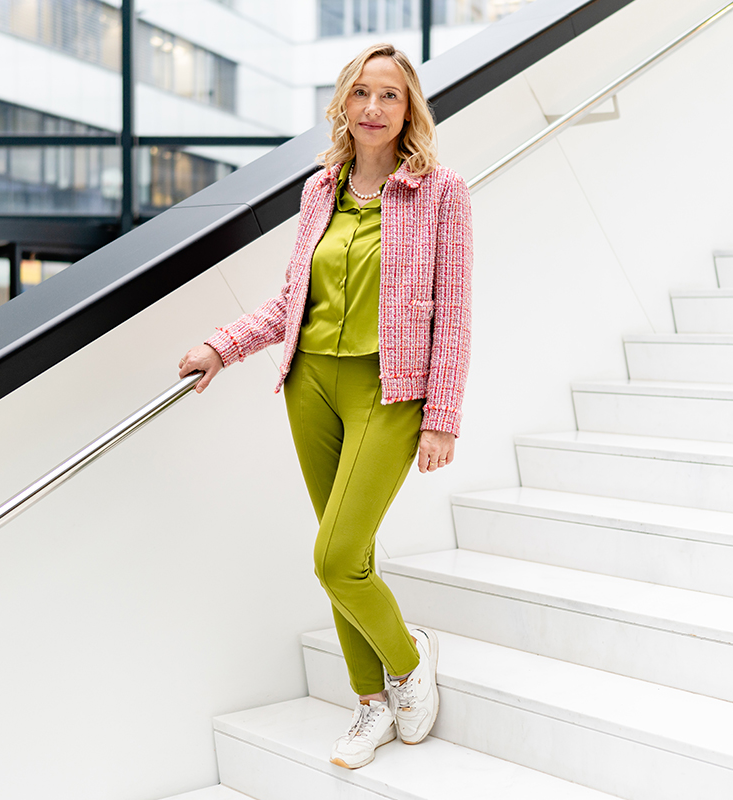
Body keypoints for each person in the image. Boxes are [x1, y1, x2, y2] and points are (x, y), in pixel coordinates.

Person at [176, 42, 472, 770]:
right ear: (343, 102)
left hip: (390, 391)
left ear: (410, 110)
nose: (374, 109)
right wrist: (223, 345)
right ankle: (368, 703)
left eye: (390, 96)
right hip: (310, 385)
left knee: (335, 560)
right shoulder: (320, 191)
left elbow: (455, 315)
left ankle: (406, 664)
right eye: (362, 94)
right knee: (352, 552)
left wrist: (442, 417)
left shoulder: (440, 193)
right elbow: (290, 301)